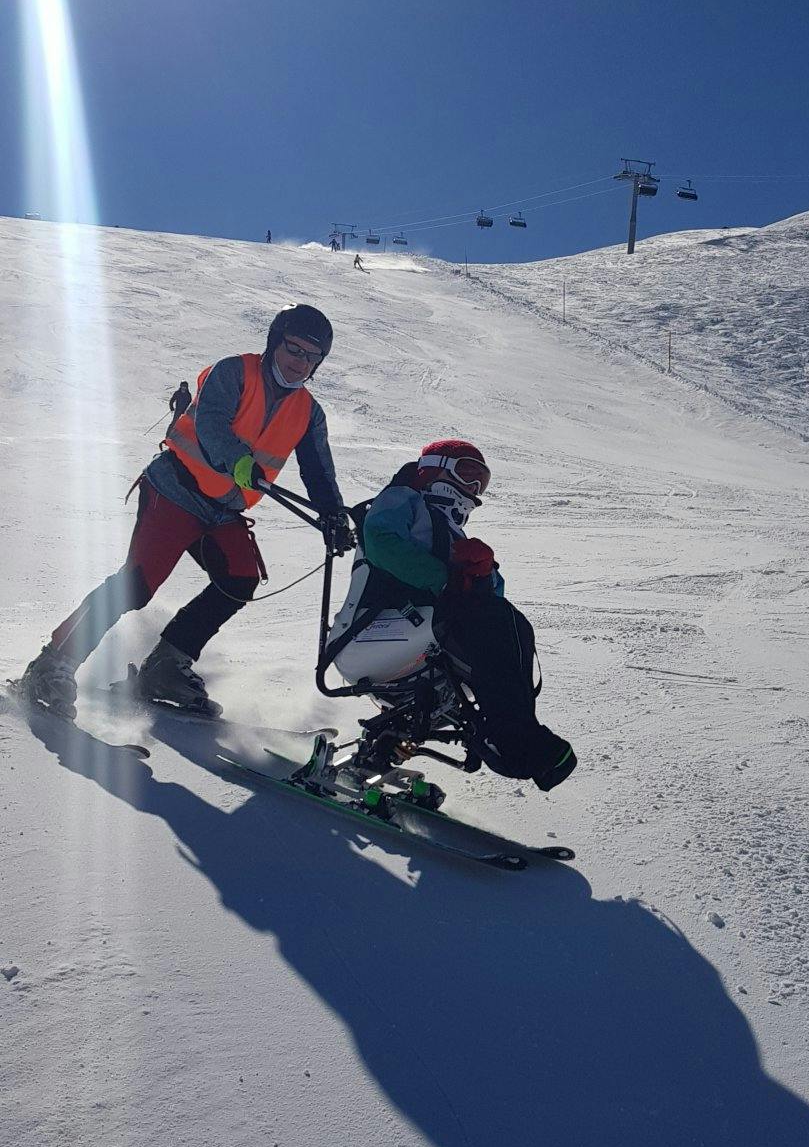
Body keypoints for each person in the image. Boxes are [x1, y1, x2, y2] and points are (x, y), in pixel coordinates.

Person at [19, 305, 352, 720]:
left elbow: (319, 471)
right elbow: (212, 424)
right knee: (136, 585)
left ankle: (165, 668)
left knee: (240, 579)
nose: (299, 362)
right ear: (274, 343)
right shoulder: (234, 372)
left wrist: (334, 516)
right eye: (293, 349)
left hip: (222, 509)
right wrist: (238, 460)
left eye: (311, 357)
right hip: (175, 490)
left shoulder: (308, 413)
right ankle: (53, 664)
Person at [327, 439, 576, 792]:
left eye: (481, 481)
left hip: (416, 636)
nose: (472, 488)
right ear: (434, 468)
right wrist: (446, 580)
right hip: (371, 632)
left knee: (512, 626)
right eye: (467, 473)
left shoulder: (452, 532)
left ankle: (512, 737)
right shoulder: (402, 499)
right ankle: (508, 739)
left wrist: (484, 573)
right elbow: (381, 539)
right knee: (495, 621)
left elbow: (490, 601)